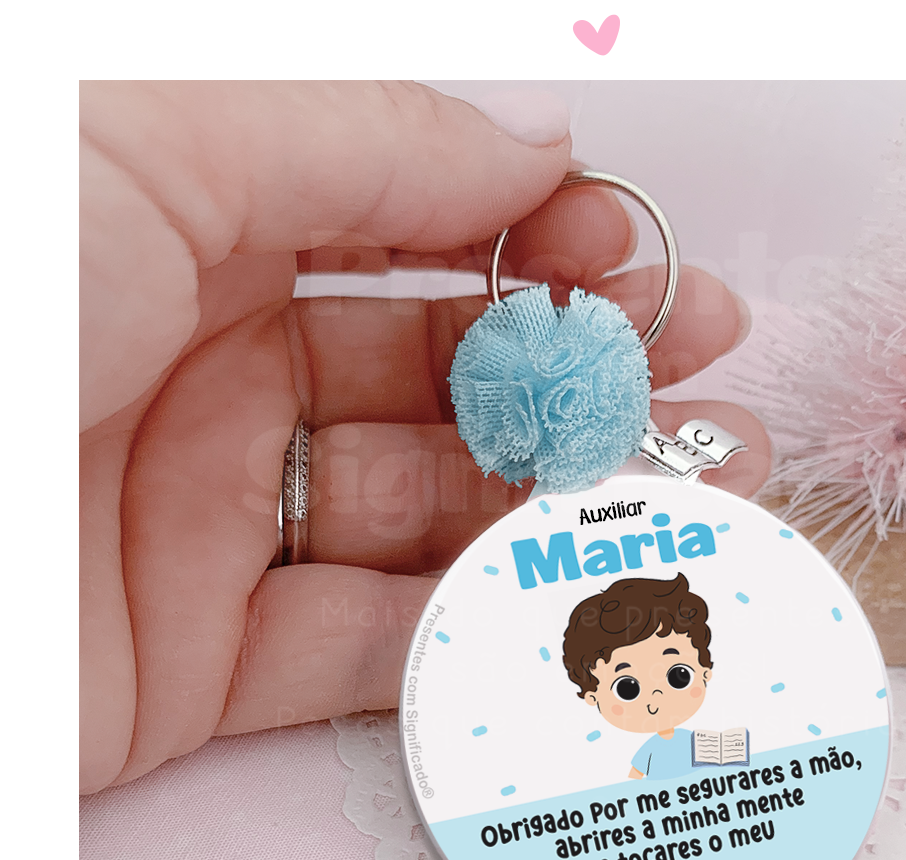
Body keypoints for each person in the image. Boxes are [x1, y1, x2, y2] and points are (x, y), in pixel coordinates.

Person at [80, 82, 769, 795]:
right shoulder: (634, 755)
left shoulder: (698, 742)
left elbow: (743, 752)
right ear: (590, 691)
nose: (654, 697)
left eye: (676, 675)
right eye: (630, 685)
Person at [562, 574, 713, 780]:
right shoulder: (652, 748)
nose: (657, 698)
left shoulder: (692, 740)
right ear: (593, 696)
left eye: (679, 676)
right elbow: (634, 779)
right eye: (627, 688)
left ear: (704, 670)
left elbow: (720, 760)